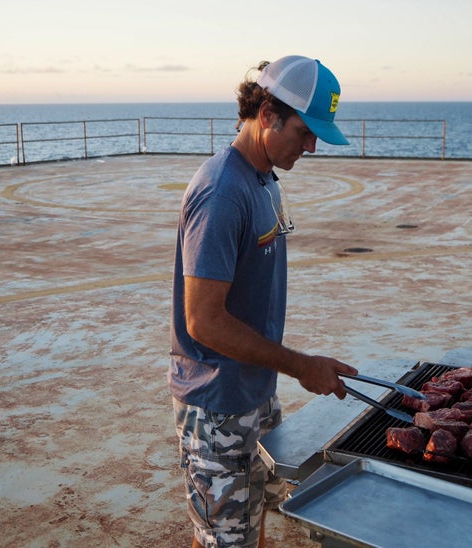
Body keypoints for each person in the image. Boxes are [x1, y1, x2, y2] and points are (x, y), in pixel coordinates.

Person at [168, 55, 358, 548]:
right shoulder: (222, 192)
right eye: (304, 131)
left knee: (250, 517)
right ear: (269, 114)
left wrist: (287, 372)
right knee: (222, 538)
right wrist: (301, 365)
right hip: (217, 406)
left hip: (254, 392)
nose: (312, 146)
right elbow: (203, 321)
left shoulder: (264, 179)